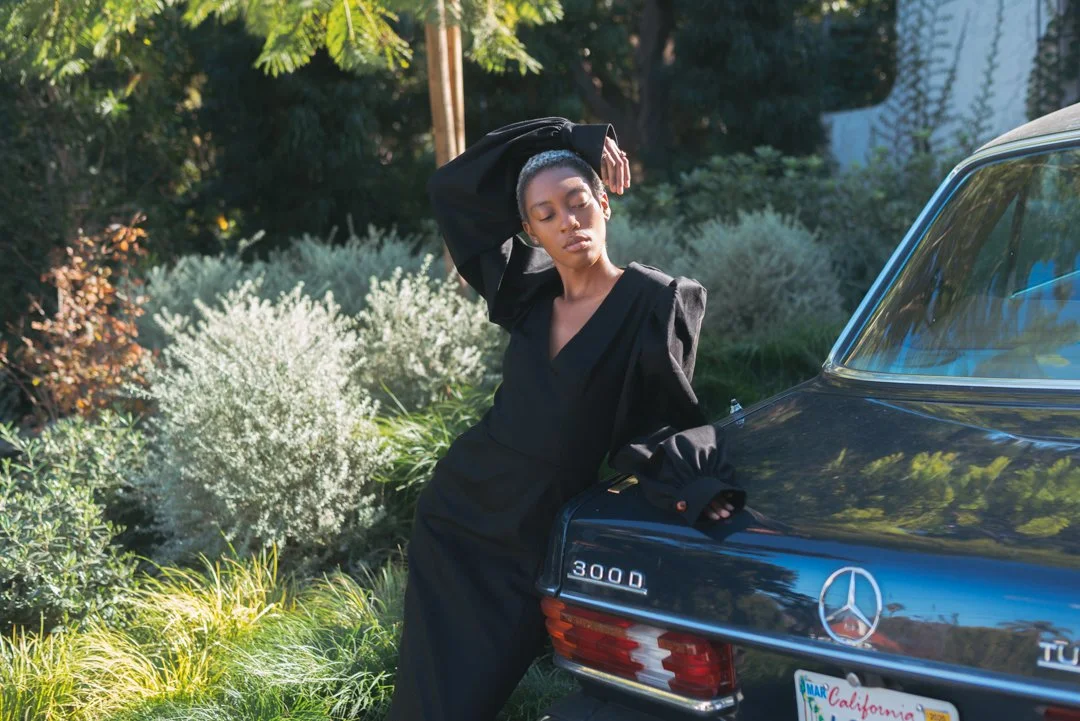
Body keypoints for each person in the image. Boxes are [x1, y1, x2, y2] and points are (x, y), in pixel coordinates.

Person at [384, 117, 744, 721]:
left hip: (530, 533)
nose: (567, 223)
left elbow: (663, 418)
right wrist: (568, 135)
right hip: (458, 512)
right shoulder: (525, 292)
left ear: (605, 202)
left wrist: (694, 484)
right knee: (425, 697)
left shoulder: (655, 300)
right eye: (546, 215)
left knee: (470, 695)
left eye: (578, 203)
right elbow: (453, 189)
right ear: (528, 230)